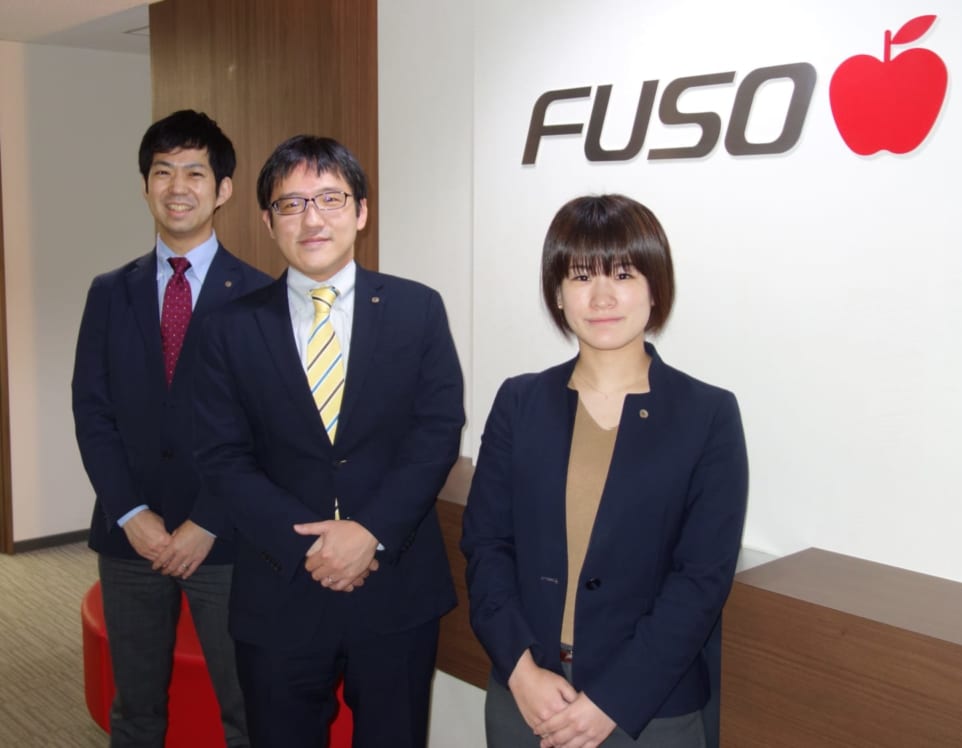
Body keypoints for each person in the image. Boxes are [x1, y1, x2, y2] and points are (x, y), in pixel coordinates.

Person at [192, 135, 465, 748]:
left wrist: (369, 532)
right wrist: (311, 546)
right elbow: (222, 456)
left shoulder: (418, 309)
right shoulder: (229, 329)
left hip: (394, 585)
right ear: (268, 221)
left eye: (330, 199)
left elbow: (436, 432)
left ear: (361, 211)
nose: (311, 218)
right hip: (280, 586)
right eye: (290, 204)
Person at [461, 194, 748, 748]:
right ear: (557, 293)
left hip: (649, 711)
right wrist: (520, 672)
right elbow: (487, 546)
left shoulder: (707, 414)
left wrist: (612, 701)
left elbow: (701, 579)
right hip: (528, 698)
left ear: (655, 287)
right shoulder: (520, 402)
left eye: (622, 274)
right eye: (580, 276)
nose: (601, 297)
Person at [72, 109, 271, 747]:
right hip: (129, 538)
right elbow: (92, 411)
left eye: (194, 172)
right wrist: (130, 513)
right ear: (145, 186)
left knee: (247, 710)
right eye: (162, 172)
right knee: (134, 711)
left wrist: (206, 521)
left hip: (225, 539)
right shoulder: (109, 291)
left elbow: (264, 429)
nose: (177, 187)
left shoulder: (261, 297)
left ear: (223, 189)